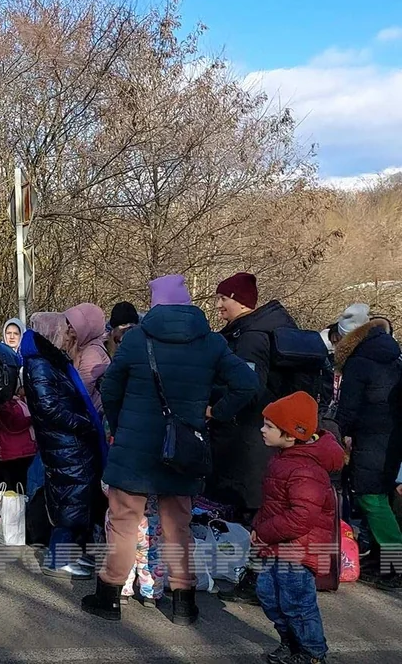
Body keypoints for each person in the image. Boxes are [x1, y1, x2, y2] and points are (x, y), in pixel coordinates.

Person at [83, 274, 258, 624]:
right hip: (184, 451)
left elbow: (112, 390)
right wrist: (213, 412)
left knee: (123, 524)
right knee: (178, 527)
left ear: (155, 304)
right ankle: (183, 604)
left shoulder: (135, 341)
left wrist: (120, 427)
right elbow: (247, 383)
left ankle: (109, 598)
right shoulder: (211, 343)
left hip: (134, 450)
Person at [212, 272, 301, 604]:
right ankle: (255, 575)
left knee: (254, 509)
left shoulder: (252, 338)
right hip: (254, 433)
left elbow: (249, 388)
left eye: (223, 299)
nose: (219, 306)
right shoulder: (252, 331)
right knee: (253, 506)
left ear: (241, 301)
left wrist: (216, 408)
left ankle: (257, 580)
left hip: (252, 435)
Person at [254, 392, 342, 664]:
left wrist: (265, 531)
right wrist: (258, 527)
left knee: (297, 603)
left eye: (269, 426)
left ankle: (312, 653)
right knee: (268, 594)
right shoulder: (284, 459)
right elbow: (273, 503)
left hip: (298, 549)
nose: (262, 429)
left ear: (291, 435)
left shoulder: (306, 469)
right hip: (278, 545)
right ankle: (291, 642)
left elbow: (302, 516)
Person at [22, 312, 104, 579]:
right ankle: (58, 559)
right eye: (63, 329)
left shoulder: (50, 361)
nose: (68, 334)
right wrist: (82, 422)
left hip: (69, 442)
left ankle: (70, 554)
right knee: (69, 498)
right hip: (63, 441)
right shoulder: (40, 364)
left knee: (75, 496)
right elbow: (48, 407)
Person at [333, 310, 402, 590]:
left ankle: (396, 565)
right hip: (392, 436)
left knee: (371, 499)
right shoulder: (391, 354)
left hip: (372, 437)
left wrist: (337, 433)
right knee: (381, 496)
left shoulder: (359, 361)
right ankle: (380, 559)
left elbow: (348, 408)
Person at [66, 303, 110, 413]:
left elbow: (84, 388)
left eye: (75, 322)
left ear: (87, 326)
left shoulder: (92, 352)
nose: (70, 325)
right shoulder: (82, 347)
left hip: (95, 414)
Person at [0, 397, 37, 492]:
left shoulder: (21, 401)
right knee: (15, 484)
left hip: (18, 451)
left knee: (13, 483)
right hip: (16, 451)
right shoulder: (8, 404)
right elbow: (14, 424)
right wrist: (33, 418)